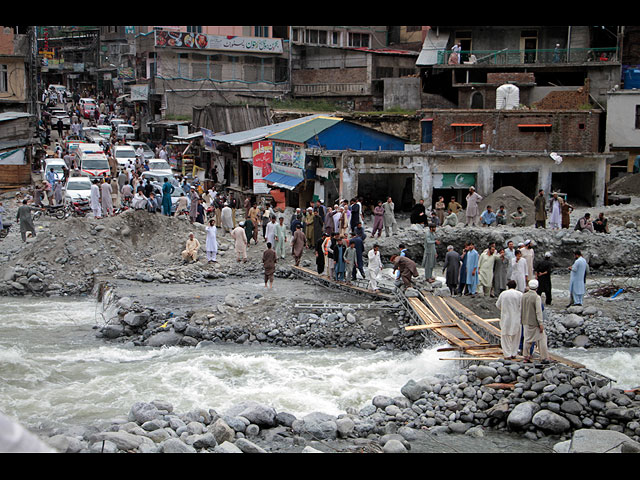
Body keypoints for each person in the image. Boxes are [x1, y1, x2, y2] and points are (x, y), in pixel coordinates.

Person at [521, 279, 550, 363]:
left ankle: (526, 356)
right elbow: (538, 311)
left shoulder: (524, 296)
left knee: (527, 339)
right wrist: (540, 323)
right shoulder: (537, 297)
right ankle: (544, 357)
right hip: (534, 322)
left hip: (525, 321)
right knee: (542, 339)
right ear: (537, 288)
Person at [495, 280, 523, 359]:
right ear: (515, 286)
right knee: (516, 336)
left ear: (508, 286)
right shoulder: (520, 294)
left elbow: (498, 305)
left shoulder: (503, 294)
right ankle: (514, 353)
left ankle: (507, 354)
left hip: (506, 317)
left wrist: (504, 309)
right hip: (516, 317)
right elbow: (522, 306)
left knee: (505, 336)